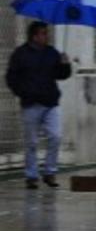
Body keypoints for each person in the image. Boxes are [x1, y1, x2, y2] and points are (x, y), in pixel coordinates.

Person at [5, 21, 72, 189]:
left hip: (51, 102)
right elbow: (11, 77)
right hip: (31, 103)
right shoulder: (20, 54)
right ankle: (32, 175)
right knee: (32, 142)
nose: (46, 36)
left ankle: (50, 171)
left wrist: (65, 64)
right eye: (43, 33)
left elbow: (62, 75)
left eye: (46, 33)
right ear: (34, 36)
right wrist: (23, 92)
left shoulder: (52, 53)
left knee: (55, 137)